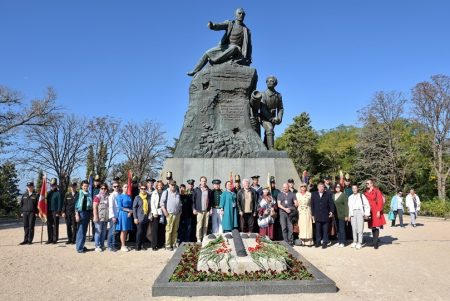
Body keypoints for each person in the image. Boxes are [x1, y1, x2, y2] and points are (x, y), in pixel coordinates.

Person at [187, 8, 252, 76]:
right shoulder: (230, 23)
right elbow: (220, 25)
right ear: (235, 15)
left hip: (237, 50)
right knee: (207, 53)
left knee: (234, 48)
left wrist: (249, 58)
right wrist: (213, 26)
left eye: (243, 14)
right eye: (239, 13)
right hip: (226, 47)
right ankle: (195, 71)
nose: (241, 15)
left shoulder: (246, 30)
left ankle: (215, 60)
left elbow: (249, 46)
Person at [259, 76, 284, 149]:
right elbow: (262, 109)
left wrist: (279, 117)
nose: (269, 82)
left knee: (267, 134)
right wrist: (271, 119)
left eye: (271, 81)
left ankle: (265, 148)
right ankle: (271, 149)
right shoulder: (263, 94)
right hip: (264, 117)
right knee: (270, 129)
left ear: (275, 83)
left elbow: (281, 108)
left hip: (274, 118)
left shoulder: (278, 95)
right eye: (267, 81)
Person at [311, 181, 335, 249]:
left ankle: (325, 242)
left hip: (325, 215)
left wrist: (331, 211)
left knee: (325, 230)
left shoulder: (328, 194)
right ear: (318, 187)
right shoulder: (314, 194)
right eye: (320, 187)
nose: (321, 188)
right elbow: (312, 205)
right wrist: (312, 215)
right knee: (318, 230)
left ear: (324, 187)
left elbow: (331, 204)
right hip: (317, 215)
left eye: (322, 187)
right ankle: (318, 242)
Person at [364, 179, 386, 249]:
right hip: (369, 211)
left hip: (376, 210)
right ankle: (374, 242)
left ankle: (375, 243)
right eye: (366, 183)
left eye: (368, 183)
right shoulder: (366, 192)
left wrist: (379, 211)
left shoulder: (376, 191)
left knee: (376, 226)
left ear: (372, 184)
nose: (367, 184)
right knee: (372, 226)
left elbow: (380, 201)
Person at [160, 180, 182, 251]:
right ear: (169, 185)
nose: (173, 186)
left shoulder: (177, 193)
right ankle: (168, 245)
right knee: (169, 230)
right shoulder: (165, 192)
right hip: (169, 214)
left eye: (174, 185)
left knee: (175, 230)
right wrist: (165, 211)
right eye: (172, 185)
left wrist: (180, 211)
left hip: (177, 214)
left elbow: (180, 203)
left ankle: (174, 244)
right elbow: (161, 203)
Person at [348, 184, 371, 250]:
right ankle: (355, 241)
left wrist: (366, 214)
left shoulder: (361, 196)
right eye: (353, 188)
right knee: (354, 228)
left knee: (360, 228)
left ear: (357, 189)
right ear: (352, 189)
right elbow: (349, 207)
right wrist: (349, 215)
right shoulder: (350, 197)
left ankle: (359, 242)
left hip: (360, 212)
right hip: (353, 213)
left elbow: (367, 204)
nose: (354, 189)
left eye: (355, 188)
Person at [192, 176, 212, 242]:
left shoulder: (209, 190)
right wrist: (194, 209)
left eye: (205, 181)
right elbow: (193, 200)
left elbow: (210, 201)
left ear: (206, 182)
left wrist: (210, 208)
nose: (203, 182)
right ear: (200, 181)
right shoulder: (196, 190)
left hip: (207, 211)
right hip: (199, 211)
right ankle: (198, 238)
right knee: (199, 225)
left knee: (205, 226)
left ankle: (204, 237)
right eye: (202, 181)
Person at [75, 181, 93, 253]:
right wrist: (77, 214)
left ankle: (82, 246)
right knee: (80, 231)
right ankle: (79, 248)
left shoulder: (89, 194)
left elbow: (90, 205)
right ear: (82, 186)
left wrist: (91, 214)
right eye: (84, 186)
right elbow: (76, 205)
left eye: (87, 186)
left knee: (84, 231)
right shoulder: (79, 193)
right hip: (81, 213)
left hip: (87, 213)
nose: (86, 187)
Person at [133, 182, 150, 251]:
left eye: (144, 189)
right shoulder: (137, 197)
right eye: (142, 188)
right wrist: (135, 218)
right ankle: (137, 245)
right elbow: (134, 208)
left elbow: (150, 207)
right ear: (140, 189)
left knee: (144, 232)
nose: (143, 190)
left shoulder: (148, 197)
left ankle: (143, 245)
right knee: (139, 232)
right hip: (139, 218)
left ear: (146, 189)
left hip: (146, 217)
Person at [116, 183, 133, 252]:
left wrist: (130, 212)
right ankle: (122, 246)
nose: (126, 188)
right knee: (123, 230)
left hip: (128, 214)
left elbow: (131, 206)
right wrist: (128, 210)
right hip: (123, 214)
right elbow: (120, 207)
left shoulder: (129, 196)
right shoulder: (119, 196)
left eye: (127, 187)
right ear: (122, 188)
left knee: (126, 231)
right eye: (125, 187)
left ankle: (124, 244)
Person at [93, 183, 109, 252]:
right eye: (102, 188)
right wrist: (96, 216)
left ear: (106, 189)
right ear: (100, 189)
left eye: (104, 188)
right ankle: (97, 246)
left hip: (105, 218)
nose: (103, 190)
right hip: (99, 218)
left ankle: (102, 245)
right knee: (98, 232)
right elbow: (95, 207)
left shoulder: (108, 197)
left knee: (104, 233)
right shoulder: (97, 197)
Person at [46, 178, 63, 244]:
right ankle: (49, 238)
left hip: (55, 211)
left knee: (55, 225)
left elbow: (60, 203)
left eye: (54, 185)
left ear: (56, 185)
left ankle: (55, 239)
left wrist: (58, 212)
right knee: (49, 225)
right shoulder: (48, 193)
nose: (53, 186)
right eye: (52, 185)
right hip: (48, 211)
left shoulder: (58, 193)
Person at [150, 181, 165, 250]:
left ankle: (160, 244)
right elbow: (152, 203)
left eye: (161, 185)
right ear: (156, 186)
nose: (160, 186)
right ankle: (154, 245)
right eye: (158, 185)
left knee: (161, 229)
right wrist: (154, 212)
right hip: (156, 212)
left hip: (163, 212)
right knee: (154, 230)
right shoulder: (154, 193)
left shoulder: (165, 192)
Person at [107, 181, 120, 251]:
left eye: (117, 186)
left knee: (116, 232)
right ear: (112, 187)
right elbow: (111, 207)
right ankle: (110, 245)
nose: (116, 187)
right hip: (113, 216)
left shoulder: (119, 194)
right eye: (115, 186)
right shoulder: (111, 195)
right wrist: (112, 216)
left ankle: (114, 244)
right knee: (112, 231)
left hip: (118, 215)